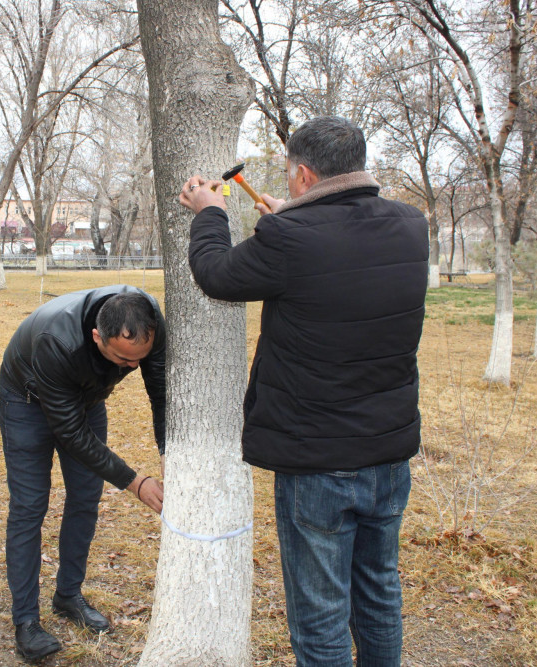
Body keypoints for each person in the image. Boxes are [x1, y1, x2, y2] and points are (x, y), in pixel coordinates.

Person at [179, 116, 428, 666]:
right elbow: (340, 263)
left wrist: (212, 213)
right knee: (379, 594)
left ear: (305, 176)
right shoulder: (411, 225)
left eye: (292, 175)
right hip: (387, 455)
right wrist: (291, 221)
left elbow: (217, 275)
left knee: (320, 619)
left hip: (317, 462)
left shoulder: (290, 239)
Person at [0, 285, 166, 663]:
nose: (131, 367)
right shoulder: (56, 341)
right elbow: (71, 434)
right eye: (123, 359)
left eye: (139, 358)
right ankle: (26, 620)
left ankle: (68, 596)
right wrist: (135, 482)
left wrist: (167, 450)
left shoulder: (147, 317)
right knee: (29, 507)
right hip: (27, 402)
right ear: (96, 337)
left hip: (86, 400)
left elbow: (161, 391)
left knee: (86, 499)